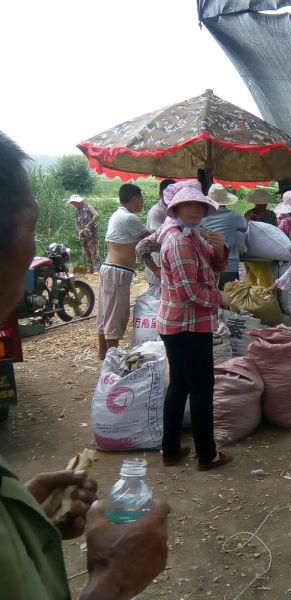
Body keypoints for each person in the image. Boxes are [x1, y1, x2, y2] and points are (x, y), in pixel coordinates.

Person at [0, 130, 171, 600]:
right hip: (118, 272)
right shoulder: (127, 217)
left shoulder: (109, 215)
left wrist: (21, 510)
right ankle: (108, 363)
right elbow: (152, 243)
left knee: (109, 323)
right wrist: (114, 581)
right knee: (113, 324)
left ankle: (107, 361)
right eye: (31, 226)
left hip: (114, 271)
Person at [158, 180, 233, 471]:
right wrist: (221, 298)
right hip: (188, 326)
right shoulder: (178, 241)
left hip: (180, 325)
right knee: (201, 390)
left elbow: (214, 268)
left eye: (198, 205)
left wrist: (220, 250)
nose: (194, 210)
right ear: (176, 208)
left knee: (179, 386)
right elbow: (188, 292)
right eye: (187, 205)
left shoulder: (194, 236)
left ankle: (171, 449)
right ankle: (207, 455)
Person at [97, 183, 150, 359]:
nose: (142, 203)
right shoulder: (129, 218)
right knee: (116, 315)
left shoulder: (118, 215)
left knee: (106, 312)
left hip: (110, 269)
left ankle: (104, 353)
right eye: (141, 199)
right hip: (117, 272)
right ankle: (113, 356)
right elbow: (149, 241)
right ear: (135, 198)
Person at [202, 183, 248, 290]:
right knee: (229, 300)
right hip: (230, 265)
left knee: (211, 301)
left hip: (208, 265)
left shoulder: (202, 216)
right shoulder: (235, 216)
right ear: (226, 201)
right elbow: (245, 229)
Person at [142, 179, 176, 287]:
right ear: (161, 194)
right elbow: (158, 237)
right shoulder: (156, 212)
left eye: (174, 194)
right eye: (169, 194)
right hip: (157, 264)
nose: (173, 197)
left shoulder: (175, 209)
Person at [67, 194, 100, 274]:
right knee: (86, 251)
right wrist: (79, 231)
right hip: (83, 234)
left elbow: (96, 215)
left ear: (79, 201)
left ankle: (97, 269)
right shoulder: (77, 211)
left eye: (74, 202)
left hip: (92, 233)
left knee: (93, 250)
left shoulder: (88, 207)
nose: (73, 204)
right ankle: (90, 269)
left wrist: (89, 224)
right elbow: (77, 223)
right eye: (72, 203)